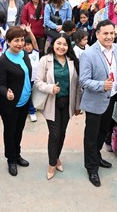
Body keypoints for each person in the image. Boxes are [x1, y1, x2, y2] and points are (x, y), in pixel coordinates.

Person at [79, 20, 117, 187]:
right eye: (105, 33)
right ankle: (91, 168)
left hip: (112, 98)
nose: (109, 37)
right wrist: (101, 85)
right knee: (91, 137)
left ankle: (97, 157)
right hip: (95, 101)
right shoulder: (89, 54)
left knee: (103, 132)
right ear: (97, 34)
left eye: (111, 33)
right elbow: (83, 81)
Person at [33, 34, 81, 180]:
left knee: (62, 133)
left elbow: (77, 85)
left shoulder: (72, 61)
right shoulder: (45, 60)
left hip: (67, 103)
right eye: (58, 43)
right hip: (51, 102)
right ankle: (52, 163)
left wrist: (77, 105)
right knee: (54, 134)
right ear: (53, 44)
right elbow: (37, 81)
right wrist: (50, 88)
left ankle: (57, 157)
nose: (61, 47)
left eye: (65, 44)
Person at [0, 26, 33, 177]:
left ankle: (17, 154)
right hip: (10, 104)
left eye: (22, 40)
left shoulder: (24, 54)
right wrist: (6, 93)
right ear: (8, 42)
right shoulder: (3, 61)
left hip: (24, 101)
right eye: (16, 40)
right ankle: (11, 159)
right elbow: (1, 85)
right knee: (10, 132)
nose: (20, 43)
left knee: (19, 130)